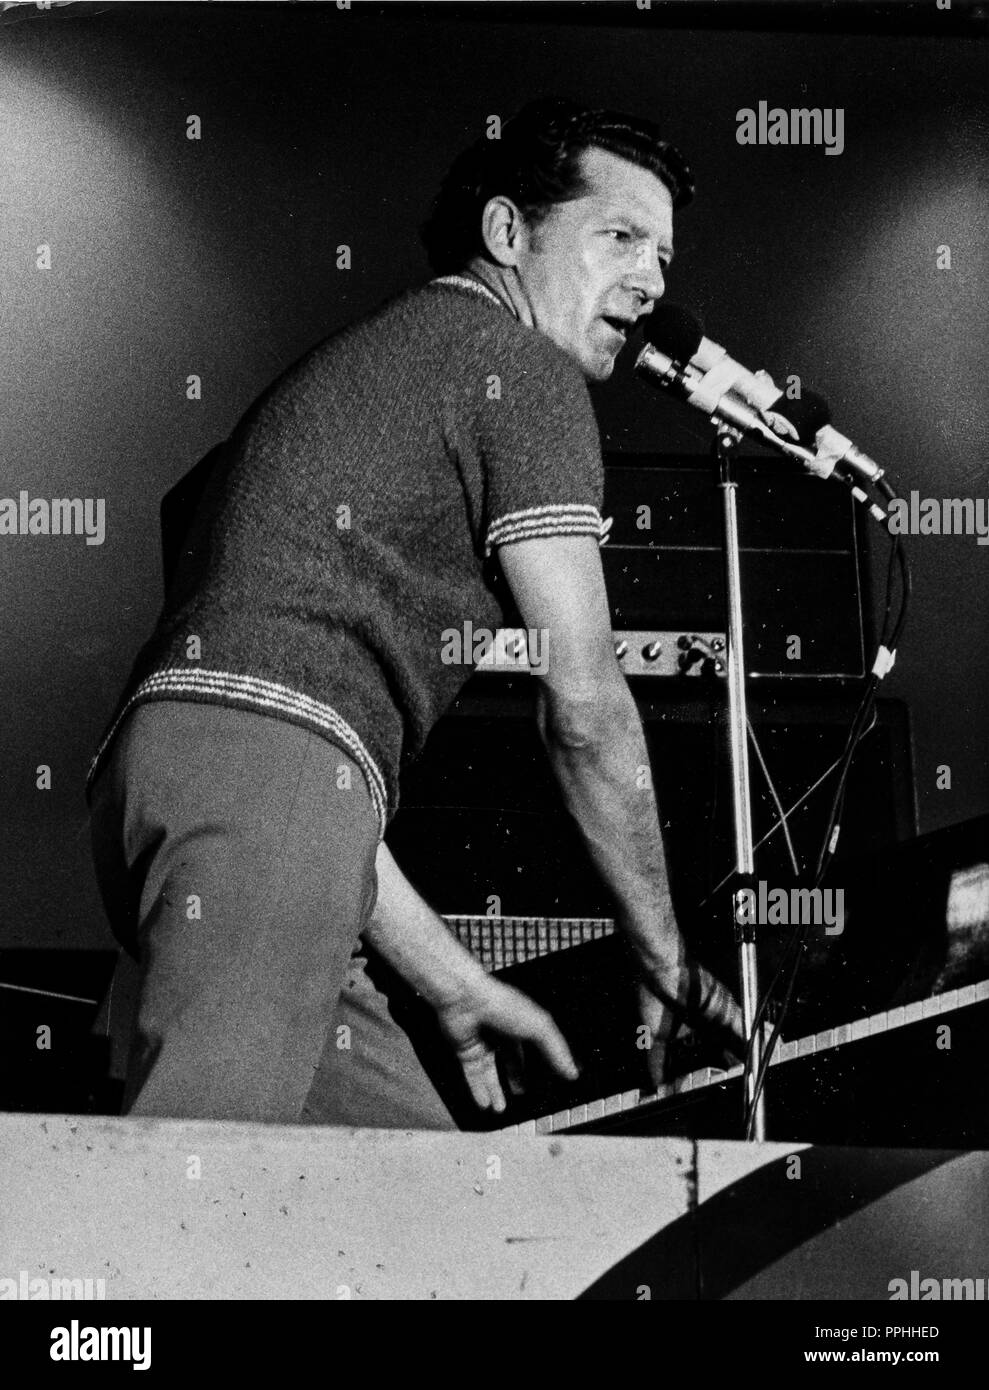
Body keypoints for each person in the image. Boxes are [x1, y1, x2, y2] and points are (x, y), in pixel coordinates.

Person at [87, 97, 744, 1129]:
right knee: (186, 1201)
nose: (653, 281)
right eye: (618, 236)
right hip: (265, 787)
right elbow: (585, 703)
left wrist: (450, 980)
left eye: (663, 254)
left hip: (210, 786)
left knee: (427, 1217)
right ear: (505, 234)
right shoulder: (517, 369)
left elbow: (301, 770)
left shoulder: (389, 362)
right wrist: (661, 953)